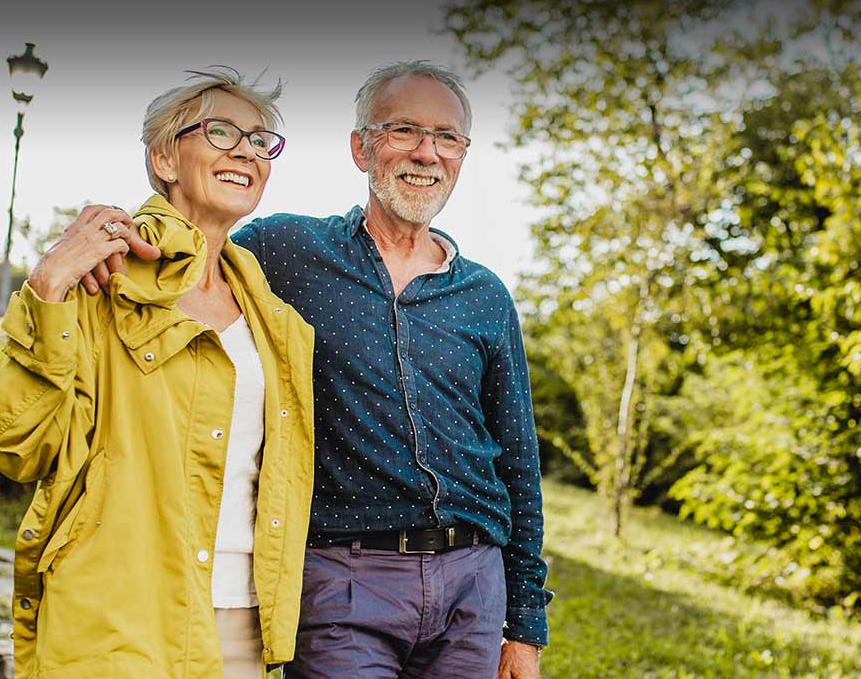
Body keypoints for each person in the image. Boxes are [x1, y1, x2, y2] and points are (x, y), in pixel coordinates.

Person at [85, 61, 551, 679]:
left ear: (463, 154)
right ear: (361, 148)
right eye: (403, 130)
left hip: (473, 587)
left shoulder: (485, 295)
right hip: (343, 578)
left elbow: (518, 461)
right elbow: (191, 242)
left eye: (447, 138)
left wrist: (524, 624)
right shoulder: (284, 252)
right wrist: (105, 239)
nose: (426, 153)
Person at [0, 66, 316, 678]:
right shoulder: (100, 276)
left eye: (261, 140)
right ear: (163, 157)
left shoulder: (276, 320)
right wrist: (48, 290)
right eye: (220, 132)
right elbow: (14, 446)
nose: (246, 151)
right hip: (117, 615)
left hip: (243, 618)